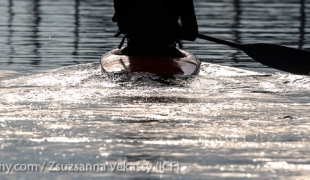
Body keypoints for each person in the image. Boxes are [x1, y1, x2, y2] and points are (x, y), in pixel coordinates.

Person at [112, 0, 198, 57]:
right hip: (167, 51)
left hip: (134, 49)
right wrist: (173, 30)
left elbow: (123, 29)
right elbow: (191, 34)